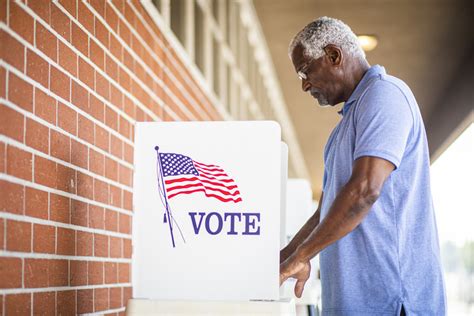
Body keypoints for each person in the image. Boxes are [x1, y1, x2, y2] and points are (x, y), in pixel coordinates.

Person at [280, 17, 446, 315]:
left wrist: (303, 255)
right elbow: (326, 212)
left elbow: (365, 190)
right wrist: (284, 258)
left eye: (305, 71)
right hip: (353, 303)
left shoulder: (385, 95)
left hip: (391, 302)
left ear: (333, 55)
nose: (304, 85)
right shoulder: (340, 132)